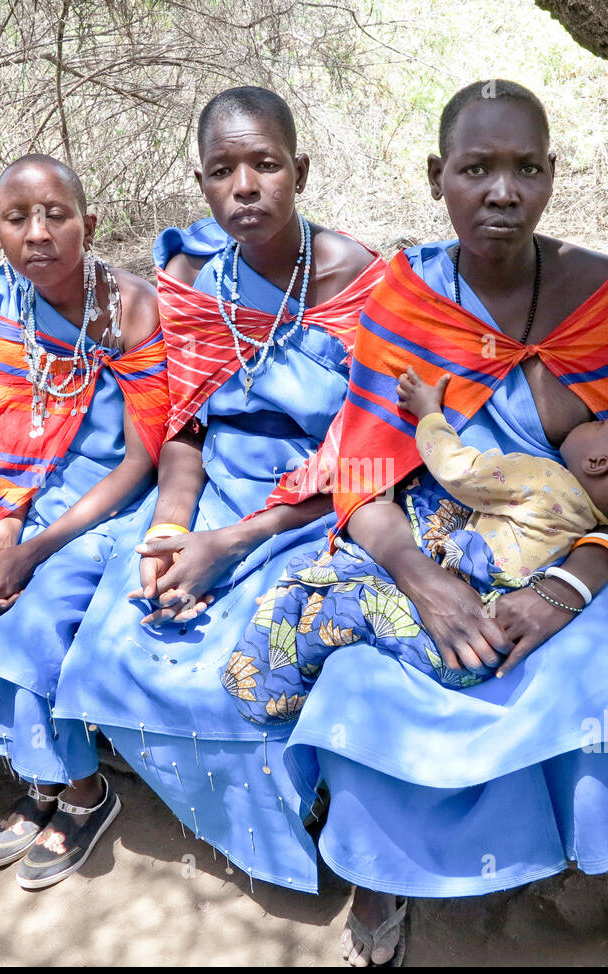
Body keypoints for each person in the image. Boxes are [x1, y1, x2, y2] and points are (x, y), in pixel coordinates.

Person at [271, 80, 608, 966]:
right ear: (437, 178)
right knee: (356, 678)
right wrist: (426, 585)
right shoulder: (402, 302)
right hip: (433, 540)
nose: (503, 191)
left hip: (585, 553)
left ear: (550, 178)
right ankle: (378, 879)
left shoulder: (605, 299)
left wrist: (560, 592)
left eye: (525, 169)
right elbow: (366, 479)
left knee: (602, 681)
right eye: (477, 168)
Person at [51, 86, 384, 890]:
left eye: (265, 164)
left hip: (320, 505)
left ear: (298, 170)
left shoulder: (365, 281)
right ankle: (195, 808)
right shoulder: (198, 287)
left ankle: (303, 825)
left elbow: (373, 452)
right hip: (215, 493)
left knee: (243, 665)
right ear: (200, 183)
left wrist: (230, 546)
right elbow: (187, 430)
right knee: (118, 640)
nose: (244, 187)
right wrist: (169, 530)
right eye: (222, 170)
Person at [0, 154, 167, 889]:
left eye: (57, 214)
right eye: (17, 219)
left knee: (33, 622)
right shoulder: (3, 303)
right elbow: (10, 428)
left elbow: (140, 460)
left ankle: (85, 795)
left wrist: (40, 546)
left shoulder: (131, 308)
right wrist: (10, 531)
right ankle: (40, 779)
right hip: (24, 492)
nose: (39, 232)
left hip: (107, 506)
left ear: (91, 222)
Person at [229, 366, 608, 718]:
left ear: (596, 463)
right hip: (480, 652)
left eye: (599, 426)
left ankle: (267, 694)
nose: (590, 421)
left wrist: (429, 412)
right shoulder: (592, 528)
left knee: (320, 597)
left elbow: (457, 469)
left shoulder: (544, 477)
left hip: (441, 623)